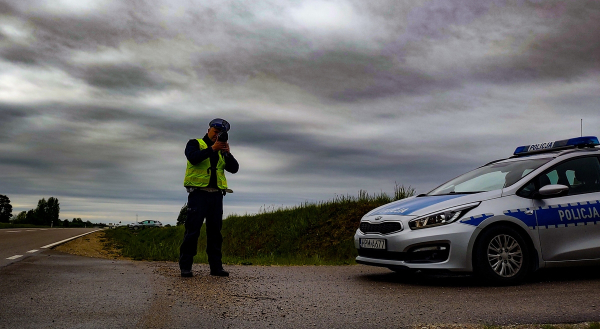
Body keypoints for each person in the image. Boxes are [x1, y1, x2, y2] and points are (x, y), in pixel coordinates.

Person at [179, 118, 239, 277]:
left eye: (220, 134)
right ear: (208, 130)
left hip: (216, 196)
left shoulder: (221, 151)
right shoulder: (195, 143)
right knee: (192, 231)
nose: (217, 135)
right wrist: (212, 148)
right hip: (198, 194)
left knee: (215, 233)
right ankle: (185, 267)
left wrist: (226, 153)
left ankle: (216, 267)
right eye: (215, 132)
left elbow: (234, 168)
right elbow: (193, 157)